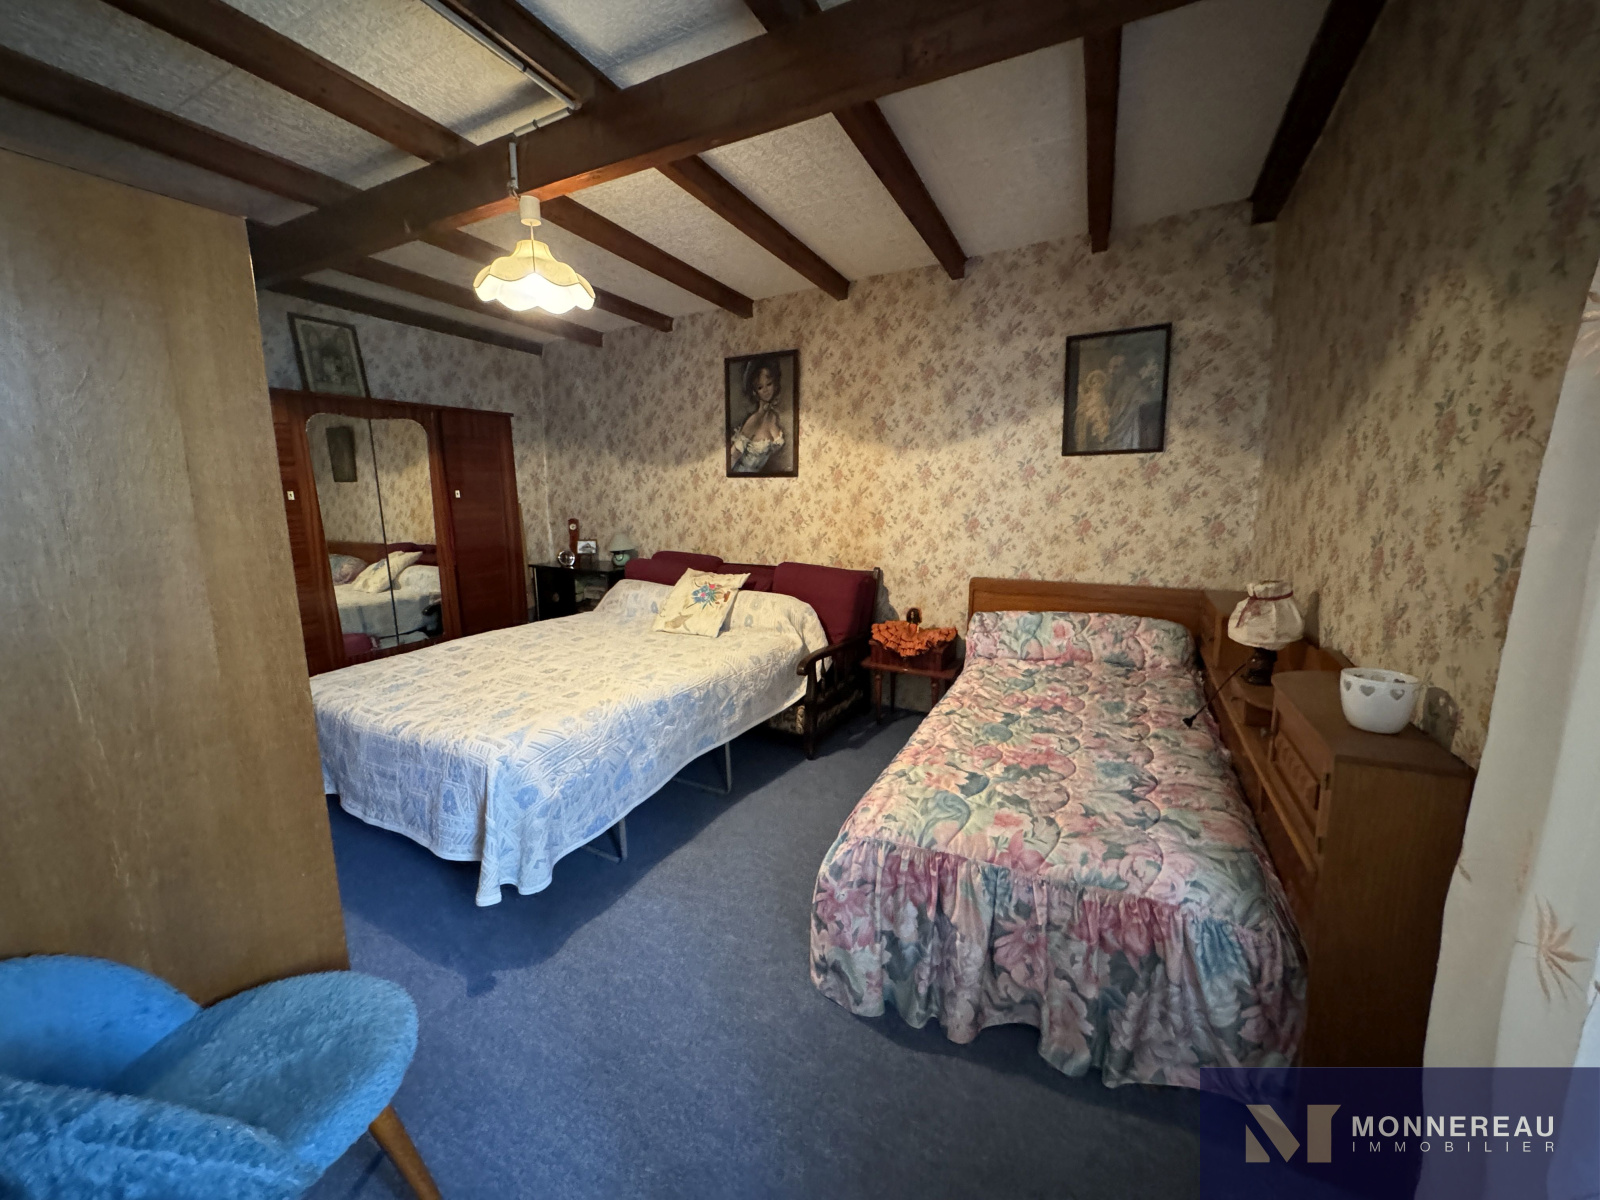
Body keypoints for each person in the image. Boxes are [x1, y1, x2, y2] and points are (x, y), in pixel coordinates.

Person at [729, 356, 786, 473]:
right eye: (760, 387)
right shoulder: (753, 420)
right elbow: (733, 457)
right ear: (755, 392)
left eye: (769, 384)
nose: (765, 390)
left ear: (775, 385)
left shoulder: (773, 417)